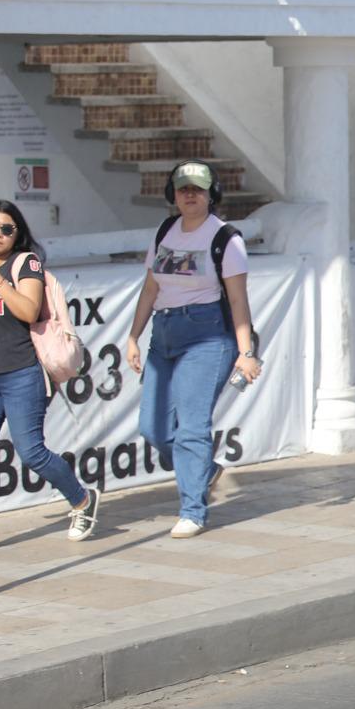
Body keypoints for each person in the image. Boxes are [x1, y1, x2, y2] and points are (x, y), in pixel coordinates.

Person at [124, 162, 261, 538]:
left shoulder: (225, 238)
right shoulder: (165, 230)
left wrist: (246, 352)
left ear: (211, 194)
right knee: (153, 428)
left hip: (207, 335)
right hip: (164, 333)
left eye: (198, 189)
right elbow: (150, 289)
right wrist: (134, 336)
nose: (189, 194)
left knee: (192, 427)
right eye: (183, 188)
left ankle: (193, 510)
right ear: (172, 193)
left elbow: (238, 300)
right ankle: (205, 470)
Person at [0, 200, 100, 552]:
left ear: (17, 232)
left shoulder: (26, 263)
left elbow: (27, 311)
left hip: (22, 373)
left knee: (32, 452)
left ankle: (83, 499)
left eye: (5, 228)